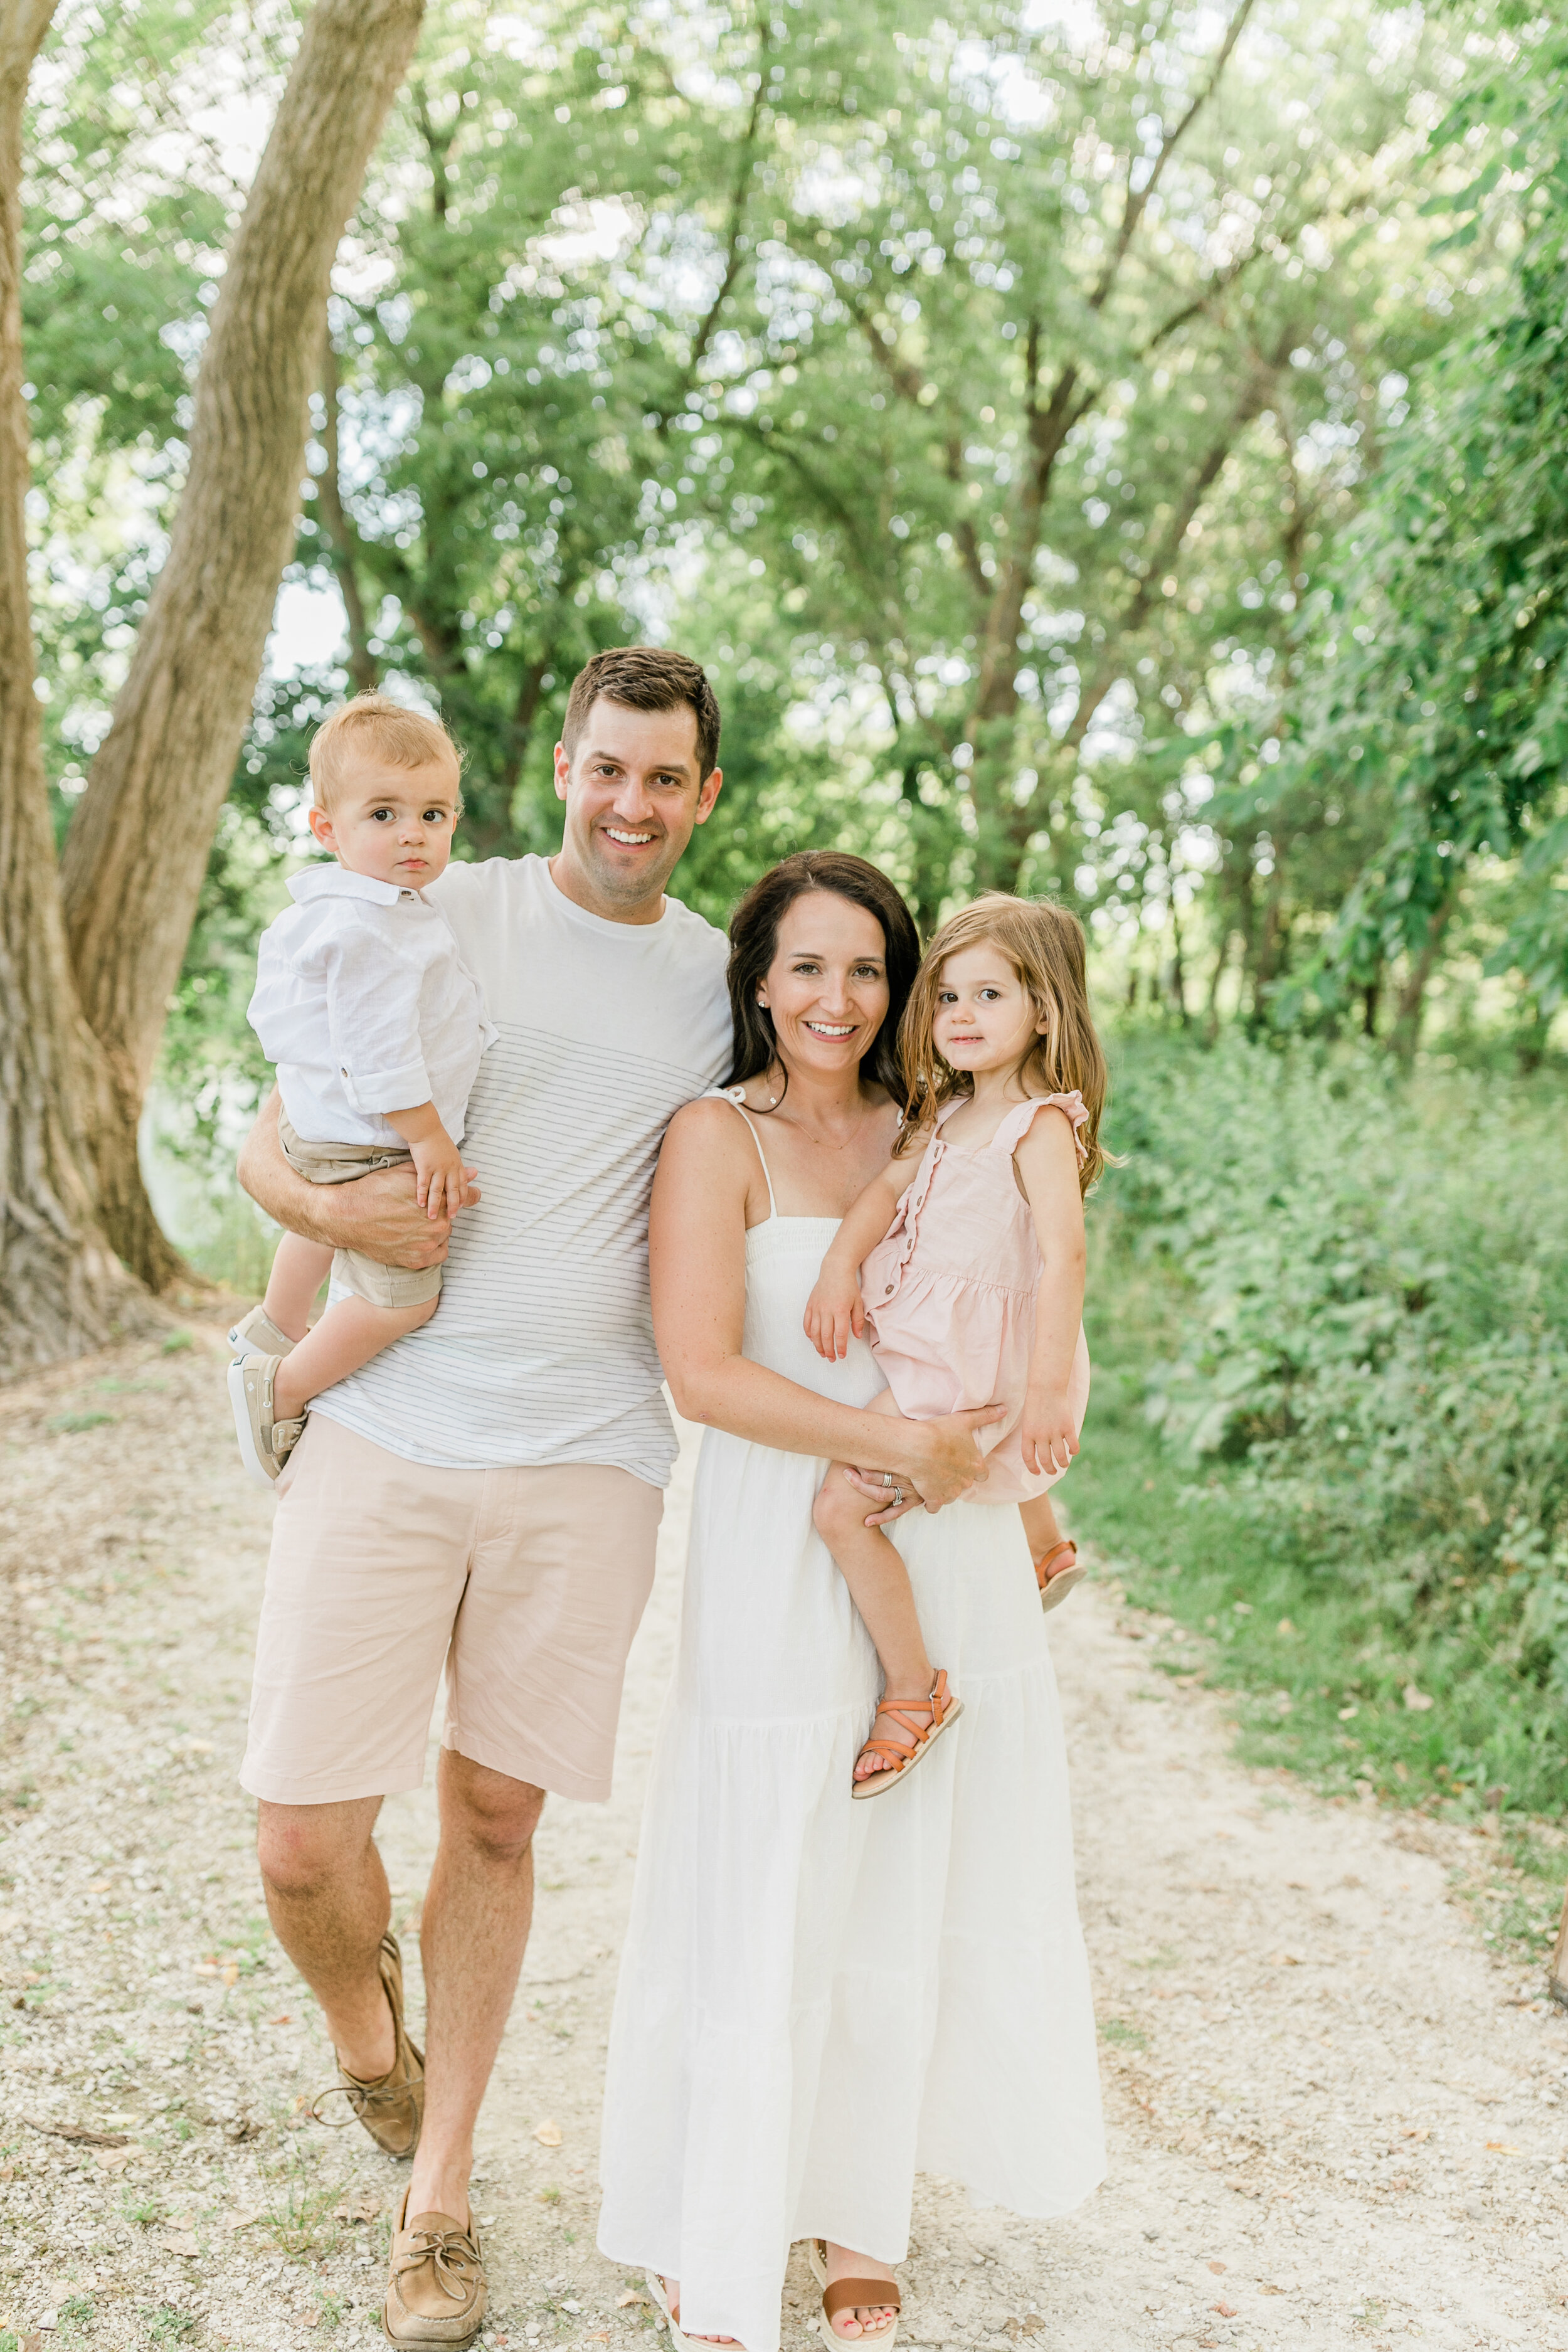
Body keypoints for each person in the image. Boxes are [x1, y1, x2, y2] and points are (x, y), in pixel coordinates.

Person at [234, 657, 995, 2352]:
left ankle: (438, 2199)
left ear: (705, 791)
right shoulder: (445, 908)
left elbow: (838, 1124)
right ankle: (370, 2037)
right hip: (387, 1419)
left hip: (590, 1452)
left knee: (497, 1816)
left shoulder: (719, 981)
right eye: (607, 769)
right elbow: (270, 1145)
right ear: (561, 767)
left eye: (667, 777)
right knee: (299, 1835)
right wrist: (333, 1238)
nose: (633, 804)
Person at [597, 853, 1104, 2352]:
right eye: (807, 967)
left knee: (906, 1869)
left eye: (870, 968)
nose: (841, 998)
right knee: (765, 1860)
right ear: (757, 978)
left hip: (934, 1524)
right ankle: (721, 2201)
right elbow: (703, 1370)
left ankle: (861, 2213)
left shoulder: (945, 1119)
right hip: (785, 1520)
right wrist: (898, 1443)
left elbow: (1026, 1289)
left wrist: (1026, 1475)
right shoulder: (715, 1134)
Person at [806, 893, 1106, 1792]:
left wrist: (1047, 1391)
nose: (960, 1016)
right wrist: (837, 1267)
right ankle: (1045, 1540)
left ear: (1044, 1010)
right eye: (947, 997)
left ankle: (913, 1688)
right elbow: (880, 1198)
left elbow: (1064, 1256)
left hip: (974, 1358)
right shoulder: (943, 1114)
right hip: (947, 1339)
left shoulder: (1039, 1123)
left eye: (989, 996)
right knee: (972, 1470)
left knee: (838, 1509)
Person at [227, 694, 495, 1489]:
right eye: (383, 813)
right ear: (326, 829)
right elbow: (380, 1056)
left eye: (433, 813)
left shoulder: (344, 908)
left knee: (321, 1222)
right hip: (372, 1134)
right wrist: (429, 1139)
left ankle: (273, 1325)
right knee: (403, 1301)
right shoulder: (370, 930)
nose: (413, 833)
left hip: (325, 1129)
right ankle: (282, 1385)